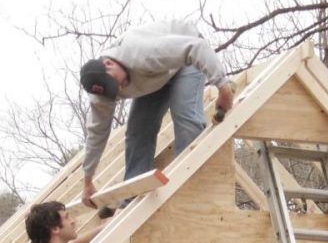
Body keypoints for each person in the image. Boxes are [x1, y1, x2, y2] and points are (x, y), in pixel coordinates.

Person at [79, 18, 234, 216]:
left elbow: (196, 47)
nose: (120, 89)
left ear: (109, 63)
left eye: (117, 83)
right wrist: (87, 180)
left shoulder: (142, 52)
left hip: (185, 59)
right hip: (154, 78)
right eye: (114, 91)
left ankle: (186, 187)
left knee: (185, 116)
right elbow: (97, 134)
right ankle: (133, 196)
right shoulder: (102, 94)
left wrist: (223, 87)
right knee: (137, 133)